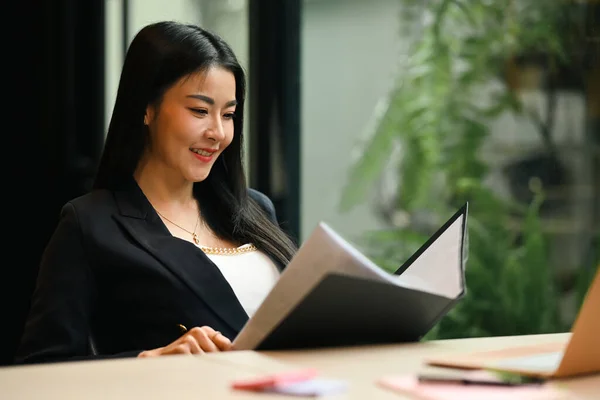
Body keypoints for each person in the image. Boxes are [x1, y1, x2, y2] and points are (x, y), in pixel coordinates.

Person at [15, 21, 297, 364]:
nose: (218, 132)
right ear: (146, 108)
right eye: (199, 111)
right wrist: (150, 360)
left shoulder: (254, 208)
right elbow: (38, 368)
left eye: (229, 114)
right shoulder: (90, 225)